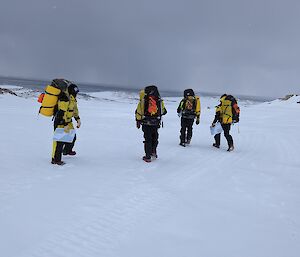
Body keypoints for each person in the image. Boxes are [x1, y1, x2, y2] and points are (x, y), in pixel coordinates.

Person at [52, 80, 81, 165]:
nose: (77, 94)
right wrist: (64, 124)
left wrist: (78, 119)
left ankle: (67, 151)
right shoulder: (64, 98)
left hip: (68, 121)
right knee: (59, 141)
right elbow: (61, 113)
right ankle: (56, 159)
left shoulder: (72, 99)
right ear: (72, 92)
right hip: (60, 121)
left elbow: (74, 110)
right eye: (76, 92)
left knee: (72, 137)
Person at [135, 85, 167, 162]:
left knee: (147, 139)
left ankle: (148, 156)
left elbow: (139, 112)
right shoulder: (159, 101)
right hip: (156, 123)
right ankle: (153, 152)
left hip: (146, 123)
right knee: (154, 137)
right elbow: (164, 111)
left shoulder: (143, 101)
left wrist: (138, 121)